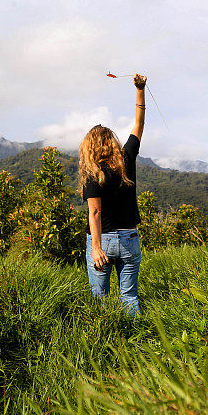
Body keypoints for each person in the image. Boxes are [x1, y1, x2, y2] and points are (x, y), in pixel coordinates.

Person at [78, 74, 147, 318]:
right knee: (129, 297)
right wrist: (140, 90)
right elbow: (138, 125)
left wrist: (96, 248)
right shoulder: (126, 159)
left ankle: (107, 345)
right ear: (112, 142)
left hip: (103, 241)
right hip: (129, 238)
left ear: (89, 146)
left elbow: (95, 212)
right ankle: (137, 343)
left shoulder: (91, 172)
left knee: (100, 300)